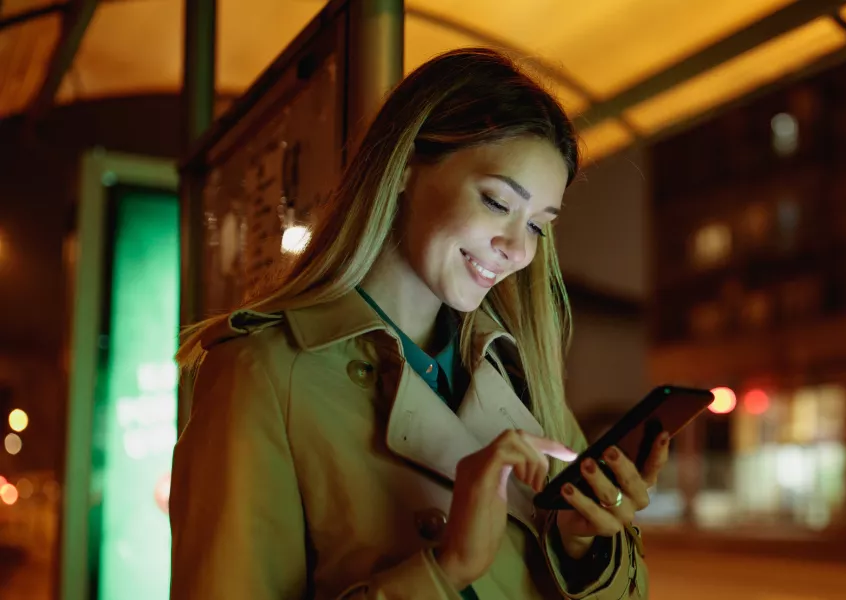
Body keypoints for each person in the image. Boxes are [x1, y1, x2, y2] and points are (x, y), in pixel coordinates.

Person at [169, 48, 660, 599]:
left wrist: (582, 547)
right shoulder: (262, 372)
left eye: (540, 226)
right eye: (498, 202)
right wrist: (445, 570)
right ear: (404, 167)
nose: (518, 250)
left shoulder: (520, 375)